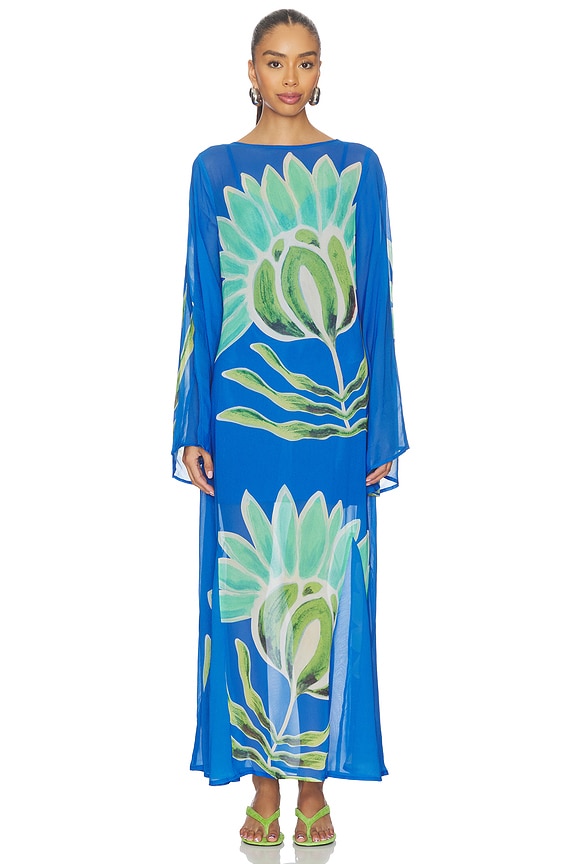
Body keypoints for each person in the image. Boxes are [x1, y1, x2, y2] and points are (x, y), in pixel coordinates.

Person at [172, 8, 409, 848]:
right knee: (251, 598)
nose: (290, 78)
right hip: (243, 419)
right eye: (274, 62)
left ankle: (315, 790)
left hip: (334, 421)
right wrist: (193, 421)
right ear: (250, 71)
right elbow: (203, 300)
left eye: (305, 63)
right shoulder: (214, 169)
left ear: (320, 71)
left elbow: (375, 300)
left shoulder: (359, 168)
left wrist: (379, 430)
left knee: (327, 594)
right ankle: (262, 789)